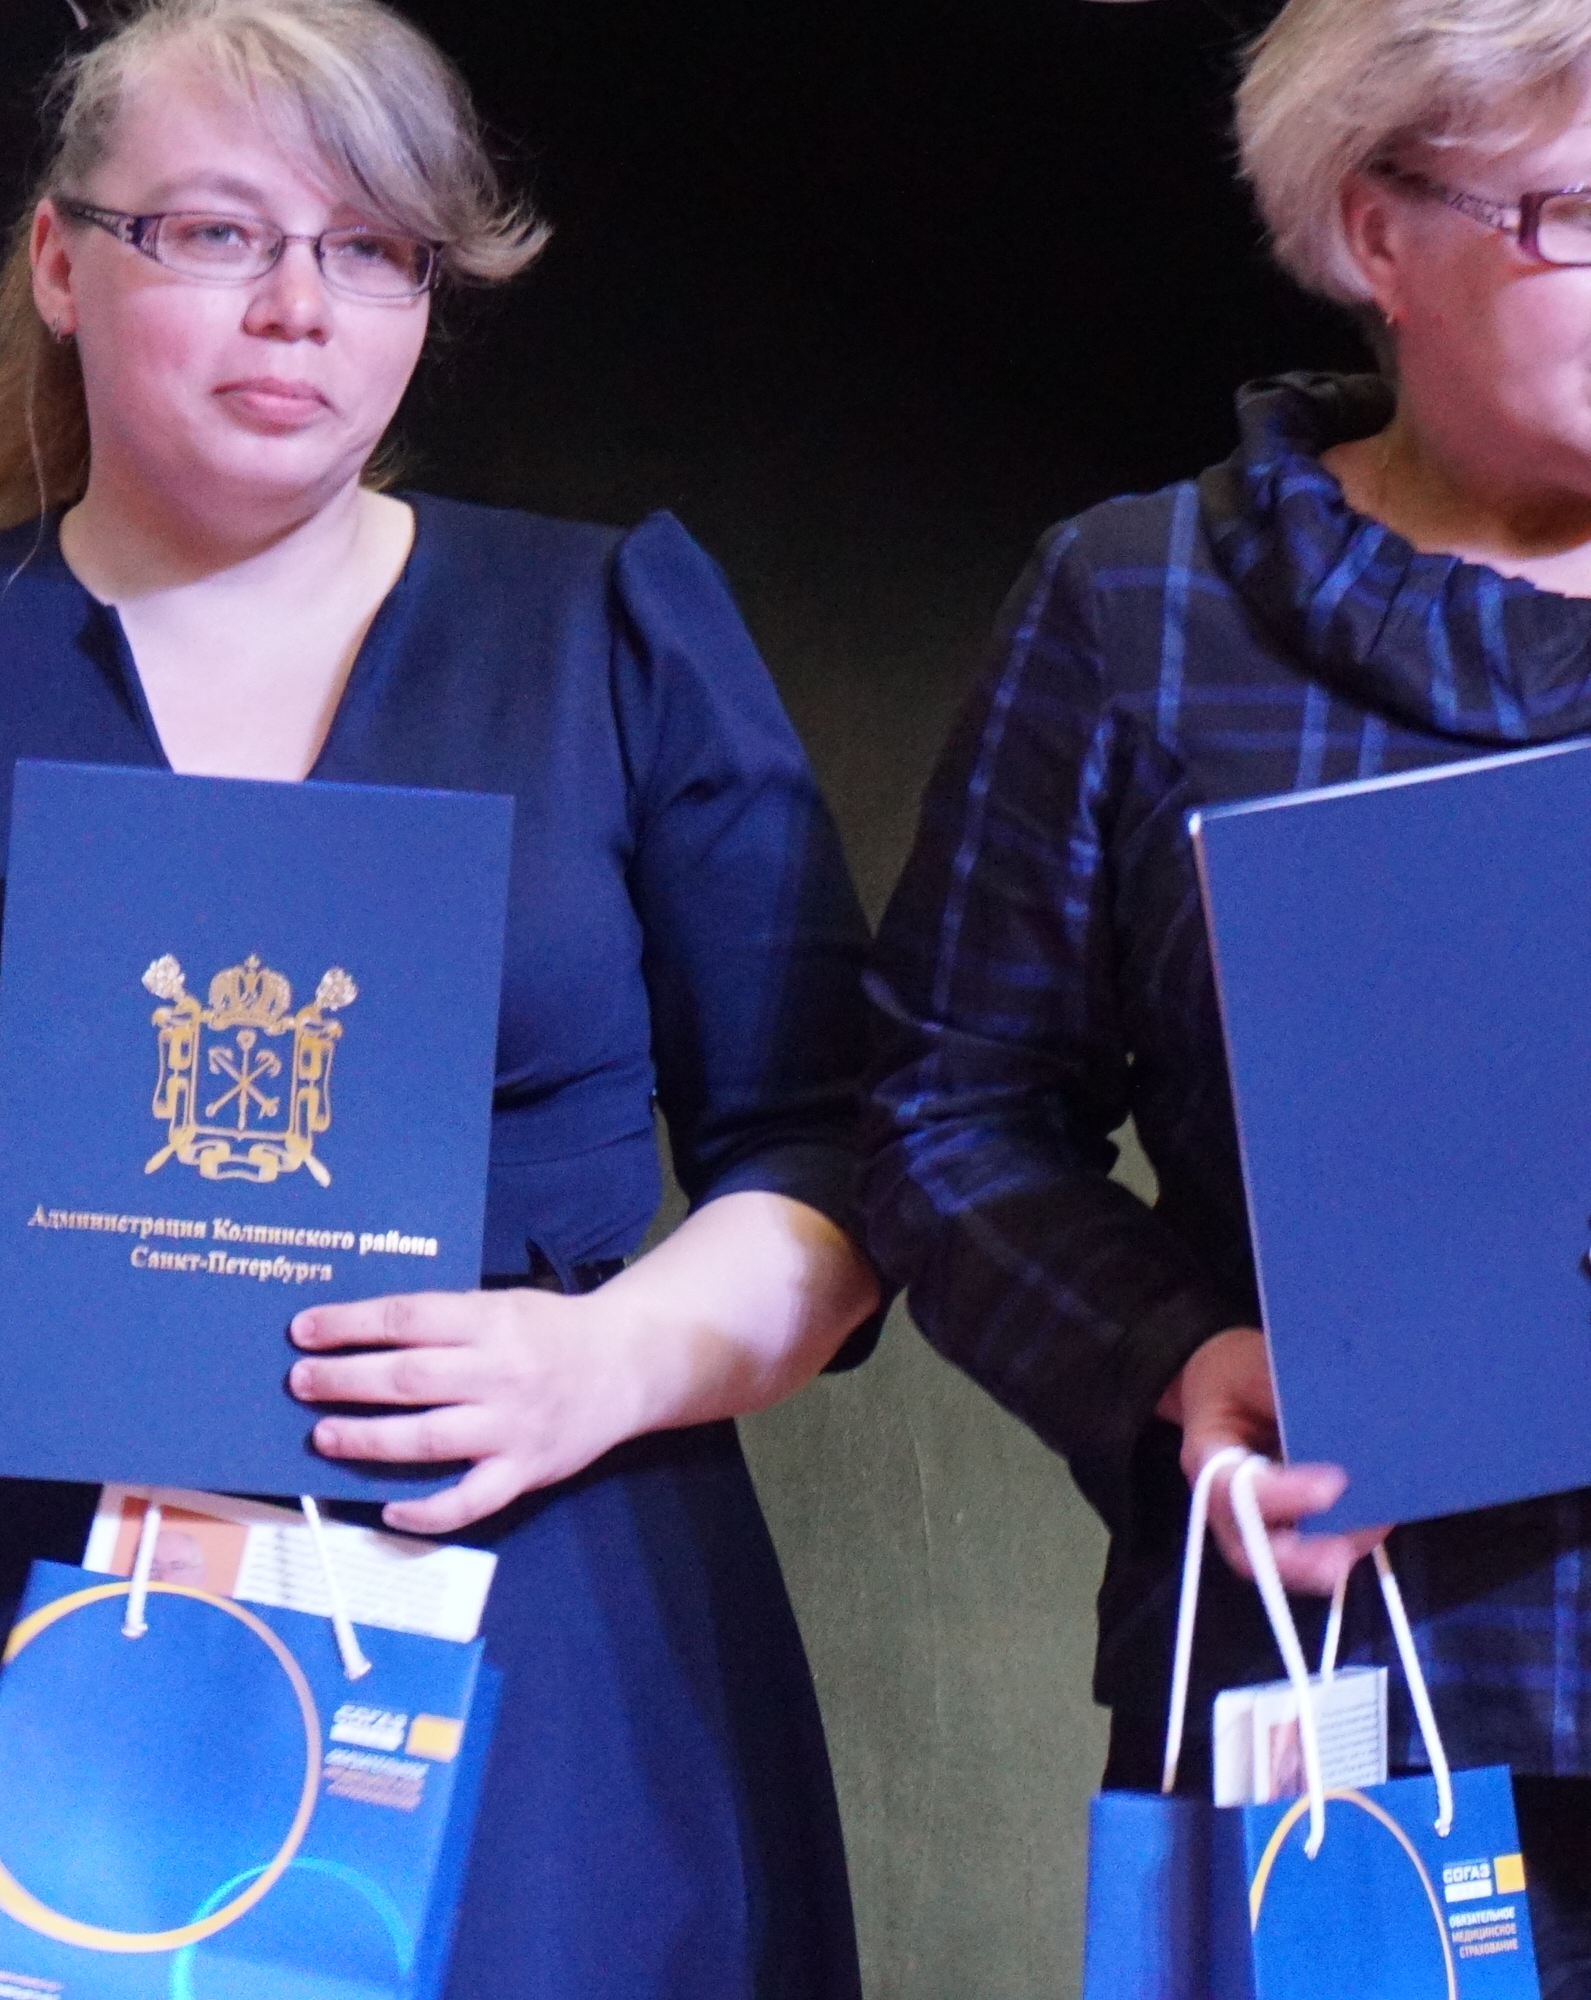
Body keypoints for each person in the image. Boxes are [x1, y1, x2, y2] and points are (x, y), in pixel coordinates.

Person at [0, 2, 881, 1991]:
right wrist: (70, 1288)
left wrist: (603, 1362)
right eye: (215, 233)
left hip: (545, 1654)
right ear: (60, 259)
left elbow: (837, 1153)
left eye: (372, 248)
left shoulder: (609, 629)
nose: (299, 308)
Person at [861, 0, 1591, 1986]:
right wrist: (1172, 1354)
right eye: (1575, 211)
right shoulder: (1143, 608)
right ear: (1376, 230)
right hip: (1350, 1692)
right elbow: (943, 1106)